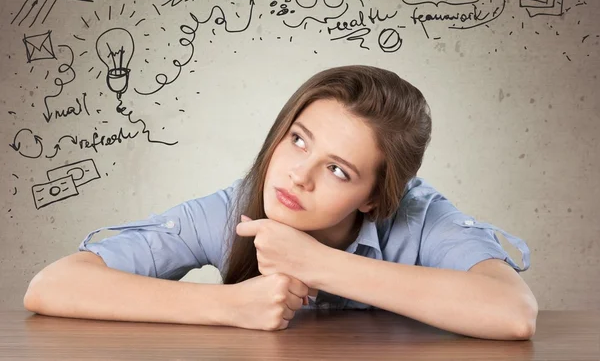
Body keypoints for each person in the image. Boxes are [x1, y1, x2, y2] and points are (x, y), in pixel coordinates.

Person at [24, 65, 537, 339]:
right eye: (298, 139)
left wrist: (318, 264)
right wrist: (227, 306)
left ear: (377, 197)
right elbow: (52, 286)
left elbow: (513, 313)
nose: (299, 174)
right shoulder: (232, 210)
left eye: (338, 170)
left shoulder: (421, 216)